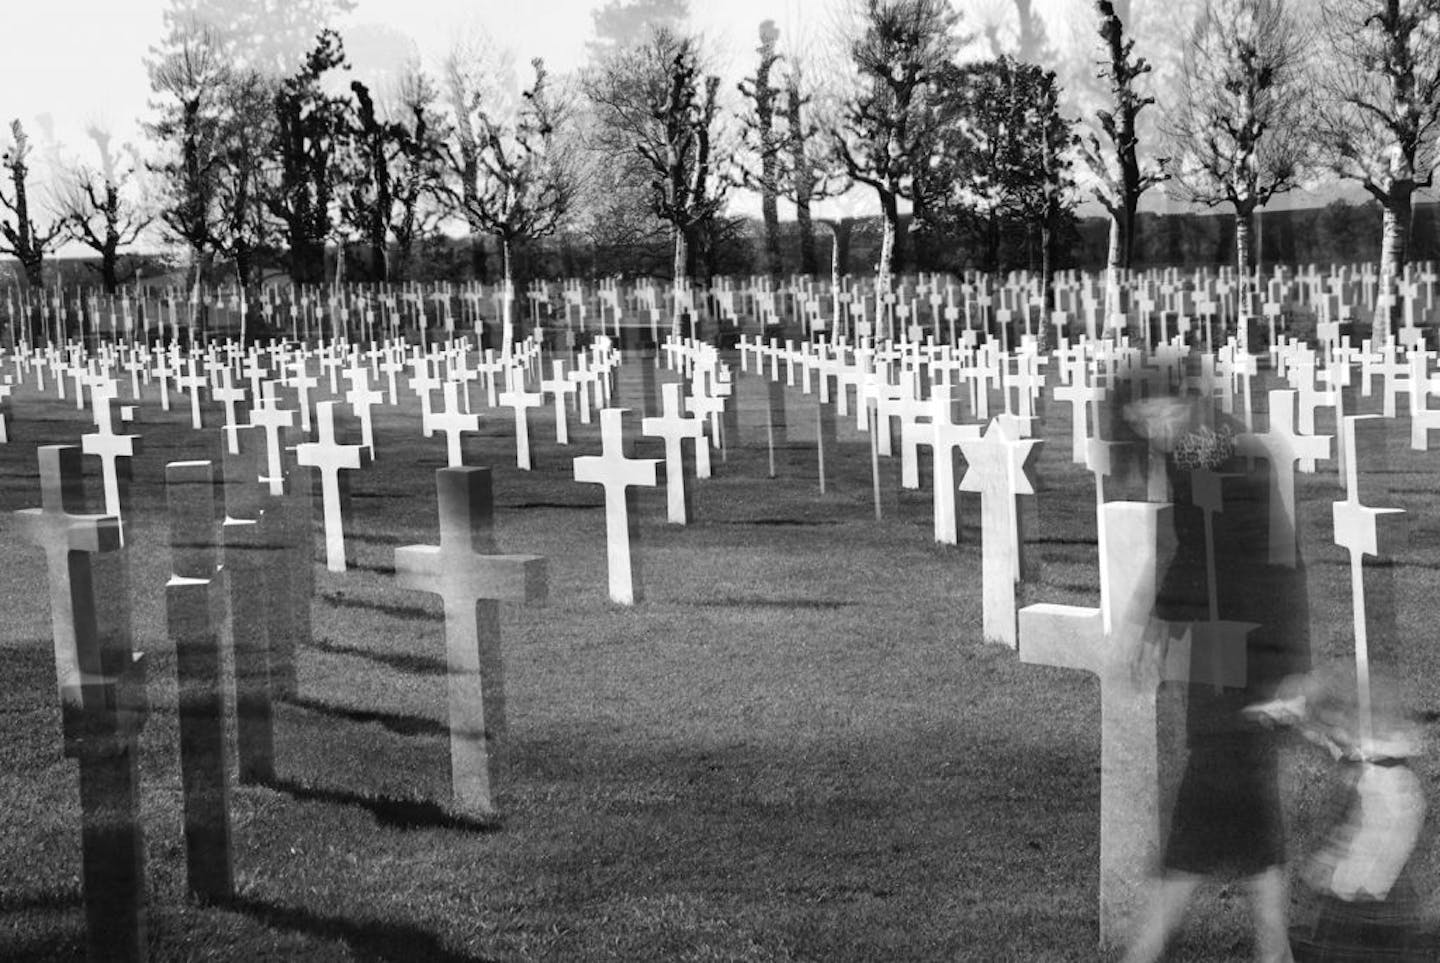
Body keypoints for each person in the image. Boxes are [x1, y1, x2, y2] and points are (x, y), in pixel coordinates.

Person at [1115, 368, 1311, 963]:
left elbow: (1280, 566)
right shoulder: (1186, 458)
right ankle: (1274, 948)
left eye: (1161, 415)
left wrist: (1293, 669)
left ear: (1187, 400)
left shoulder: (1236, 458)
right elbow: (1195, 552)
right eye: (1142, 425)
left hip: (1257, 648)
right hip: (1215, 648)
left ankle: (1147, 948)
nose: (1155, 432)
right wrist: (1154, 624)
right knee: (1247, 796)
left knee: (1209, 791)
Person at [1249, 664, 1431, 962]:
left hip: (1369, 885)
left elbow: (1375, 826)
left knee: (1357, 920)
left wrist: (1334, 864)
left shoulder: (1377, 766)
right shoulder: (1360, 748)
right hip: (1373, 879)